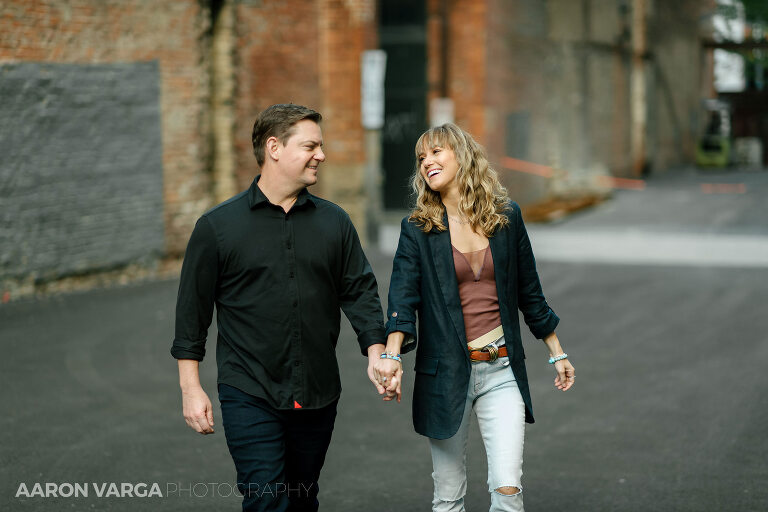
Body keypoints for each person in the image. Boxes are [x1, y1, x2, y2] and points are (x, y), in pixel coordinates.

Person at [171, 104, 389, 512]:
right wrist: (191, 388)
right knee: (266, 501)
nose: (321, 155)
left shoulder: (334, 222)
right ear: (274, 147)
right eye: (310, 146)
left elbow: (359, 291)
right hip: (248, 389)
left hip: (318, 393)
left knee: (303, 499)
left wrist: (376, 352)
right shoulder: (218, 227)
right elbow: (191, 317)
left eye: (320, 146)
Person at [373, 123, 575, 512]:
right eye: (421, 158)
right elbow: (402, 297)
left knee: (508, 490)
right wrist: (392, 356)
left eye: (436, 152)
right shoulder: (418, 228)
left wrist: (557, 352)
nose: (427, 162)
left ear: (462, 155)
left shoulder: (506, 218)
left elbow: (530, 292)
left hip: (500, 370)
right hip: (445, 373)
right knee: (448, 497)